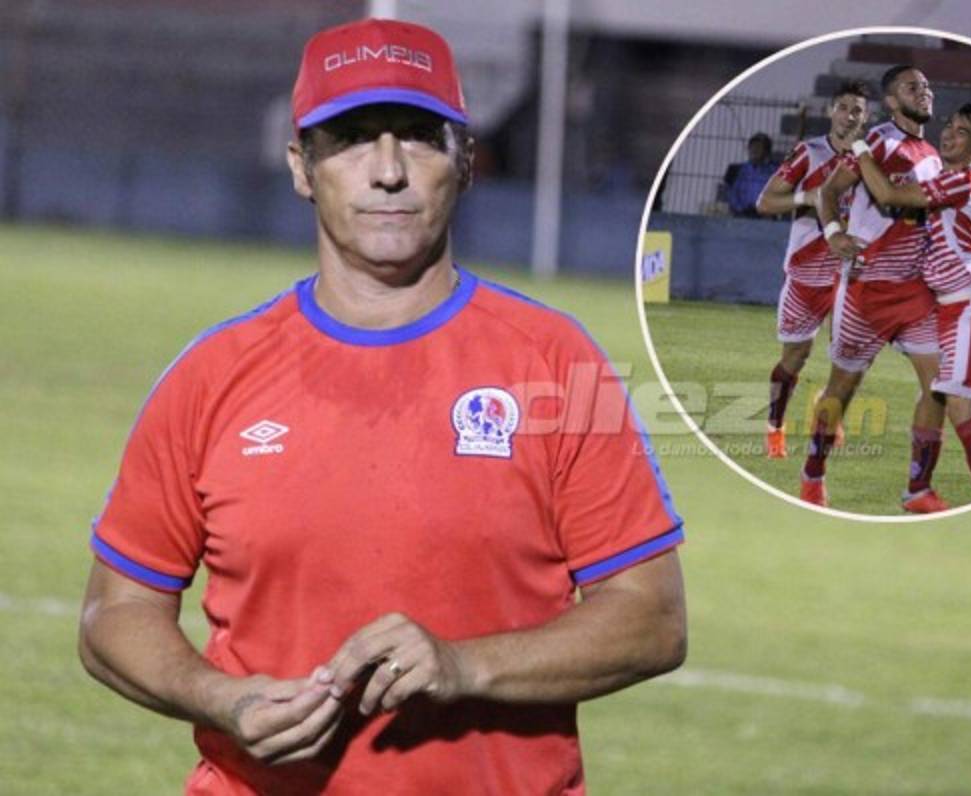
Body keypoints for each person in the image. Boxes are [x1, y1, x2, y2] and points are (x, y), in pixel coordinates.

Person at [78, 18, 686, 795]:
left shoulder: (556, 362)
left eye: (421, 138)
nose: (389, 170)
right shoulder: (212, 375)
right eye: (354, 139)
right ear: (302, 167)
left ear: (465, 162)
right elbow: (113, 615)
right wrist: (220, 698)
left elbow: (651, 617)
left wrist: (465, 665)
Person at [851, 101, 971, 495]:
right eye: (950, 126)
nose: (949, 135)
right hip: (950, 308)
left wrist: (859, 147)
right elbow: (953, 227)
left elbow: (887, 193)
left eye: (962, 132)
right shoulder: (949, 179)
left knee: (960, 407)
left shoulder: (958, 182)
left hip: (967, 307)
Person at [802, 65, 947, 513]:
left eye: (927, 86)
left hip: (915, 292)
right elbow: (828, 192)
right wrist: (833, 234)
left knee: (941, 385)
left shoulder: (932, 154)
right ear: (891, 101)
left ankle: (917, 490)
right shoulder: (878, 142)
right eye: (912, 87)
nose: (924, 92)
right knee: (842, 391)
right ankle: (813, 475)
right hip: (866, 289)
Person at [754, 82, 869, 458]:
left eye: (857, 109)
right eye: (844, 107)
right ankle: (775, 426)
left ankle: (827, 412)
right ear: (831, 111)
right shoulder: (810, 152)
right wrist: (808, 196)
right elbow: (765, 202)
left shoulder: (872, 160)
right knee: (795, 357)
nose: (849, 115)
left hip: (850, 274)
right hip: (806, 274)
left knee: (850, 357)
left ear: (866, 117)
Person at [723, 131, 778, 217]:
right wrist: (741, 210)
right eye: (752, 146)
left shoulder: (775, 171)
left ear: (766, 151)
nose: (754, 149)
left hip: (765, 215)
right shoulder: (738, 170)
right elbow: (731, 194)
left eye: (759, 147)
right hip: (741, 214)